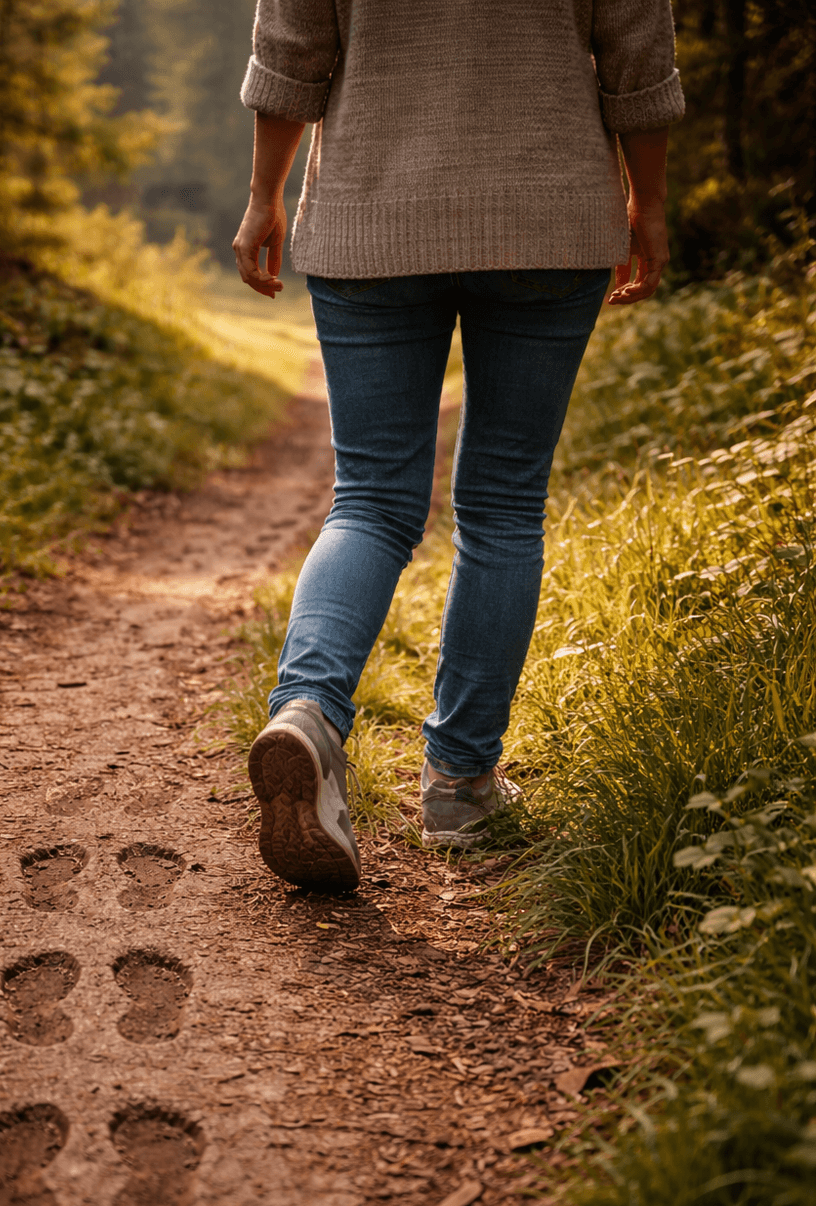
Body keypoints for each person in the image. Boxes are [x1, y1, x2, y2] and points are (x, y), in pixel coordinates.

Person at [234, 0, 684, 894]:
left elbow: (293, 53)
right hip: (549, 220)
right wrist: (651, 204)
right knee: (504, 504)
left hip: (371, 215)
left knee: (370, 499)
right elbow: (640, 61)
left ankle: (310, 712)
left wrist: (263, 196)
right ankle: (461, 786)